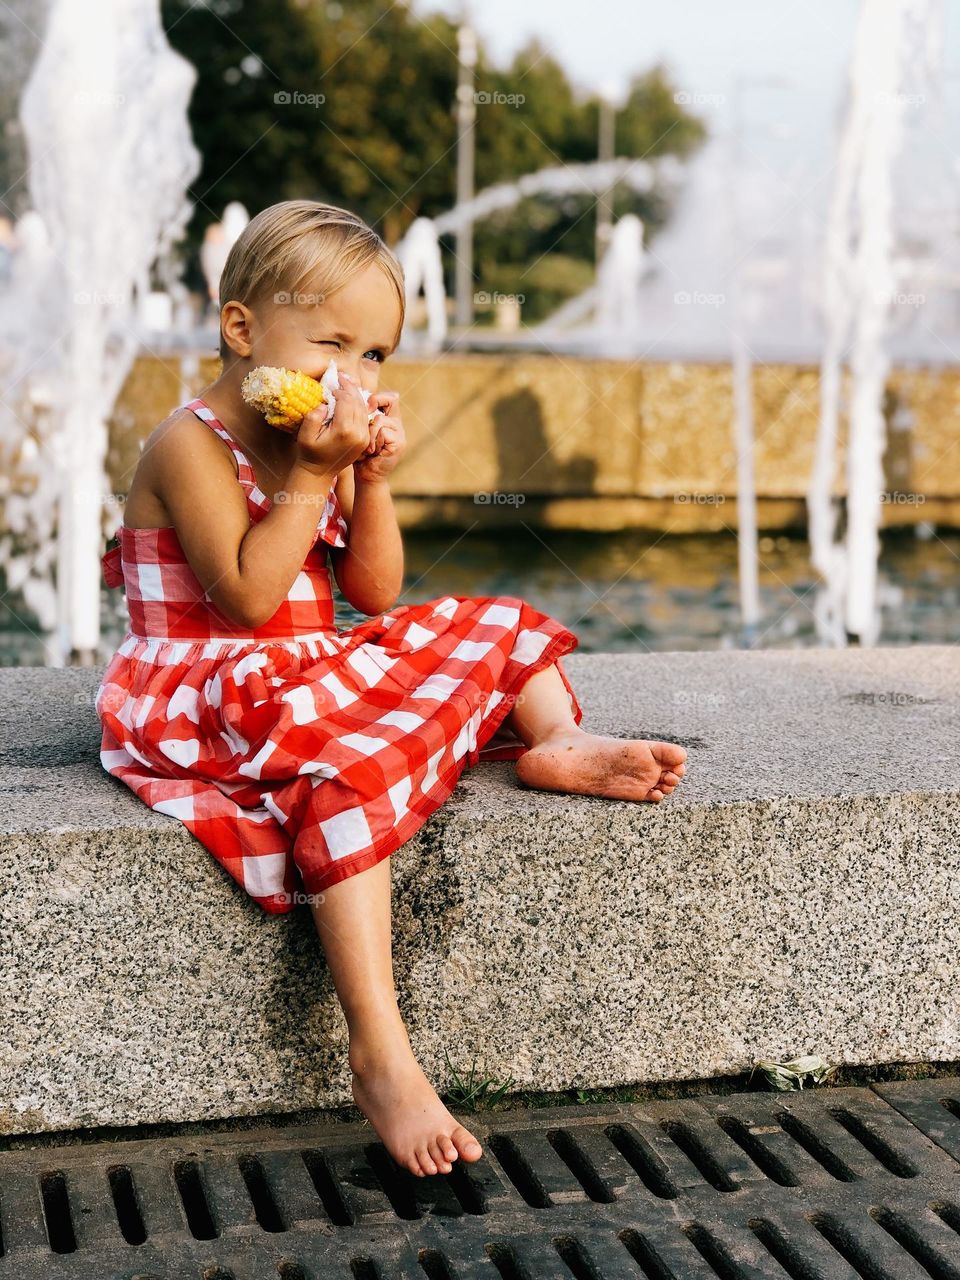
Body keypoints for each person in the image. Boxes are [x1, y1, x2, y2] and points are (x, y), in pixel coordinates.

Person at [96, 199, 688, 1181]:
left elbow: (371, 592)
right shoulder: (190, 443)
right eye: (333, 343)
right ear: (242, 329)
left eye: (375, 354)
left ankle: (554, 738)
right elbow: (245, 599)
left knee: (486, 616)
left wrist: (369, 482)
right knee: (345, 767)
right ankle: (381, 1051)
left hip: (300, 663)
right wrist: (314, 470)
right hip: (207, 684)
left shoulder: (313, 439)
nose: (356, 376)